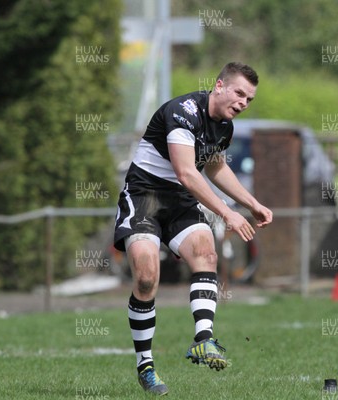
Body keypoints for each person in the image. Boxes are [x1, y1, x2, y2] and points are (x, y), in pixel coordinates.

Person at [114, 62, 273, 395]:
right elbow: (187, 173)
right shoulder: (183, 112)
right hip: (146, 196)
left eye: (249, 99)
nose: (243, 103)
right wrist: (227, 213)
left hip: (179, 202)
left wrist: (252, 203)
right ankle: (145, 366)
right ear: (219, 86)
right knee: (145, 277)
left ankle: (203, 339)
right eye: (239, 93)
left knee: (205, 252)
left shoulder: (224, 128)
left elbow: (214, 169)